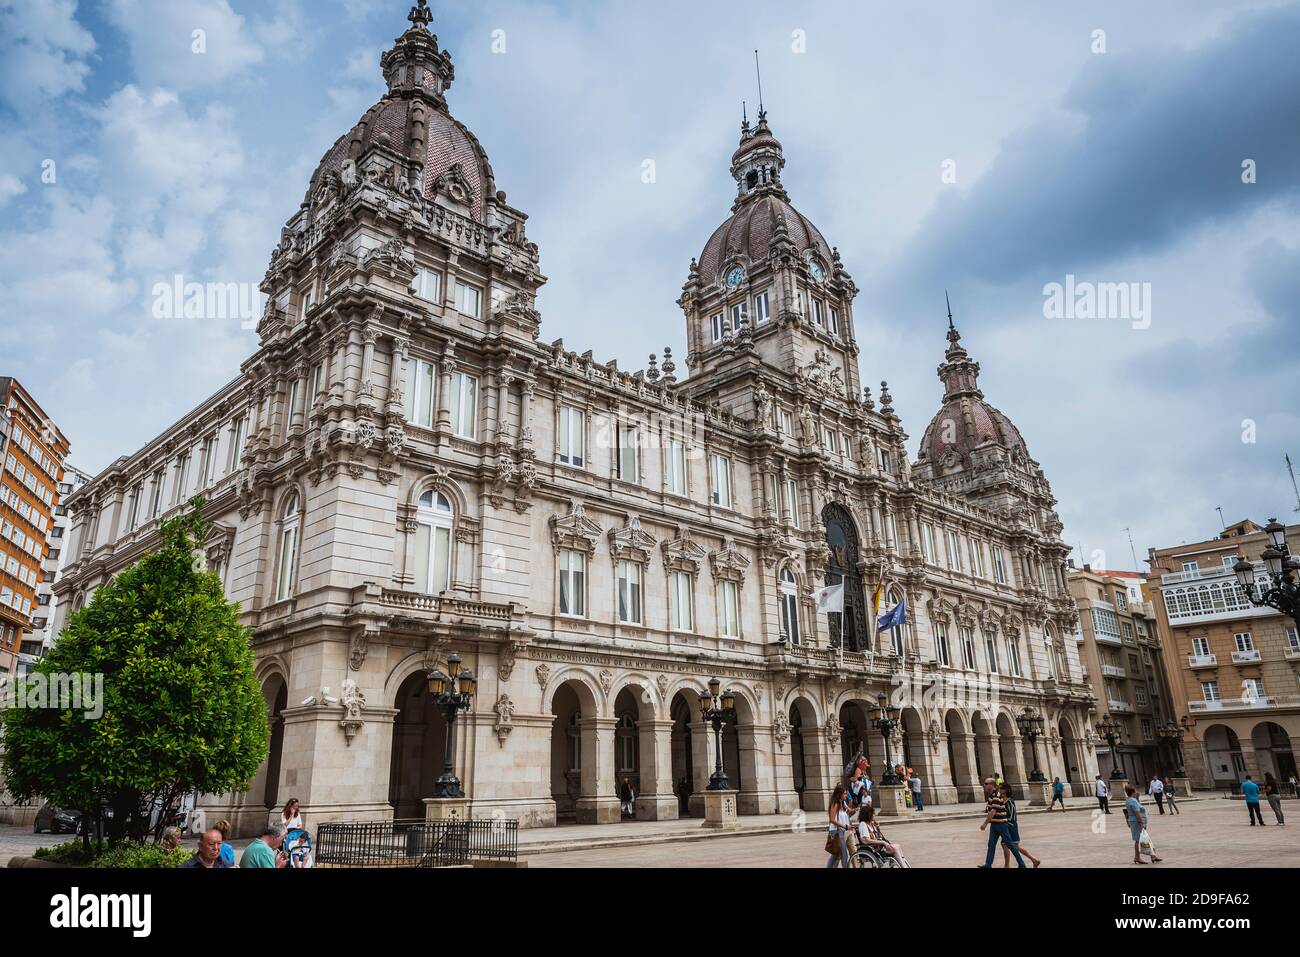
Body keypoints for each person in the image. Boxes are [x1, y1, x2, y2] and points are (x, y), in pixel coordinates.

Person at [979, 781, 1026, 868]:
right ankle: (988, 864)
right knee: (991, 844)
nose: (984, 785)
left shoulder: (996, 796)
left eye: (986, 783)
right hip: (994, 824)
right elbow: (989, 810)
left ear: (992, 785)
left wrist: (985, 824)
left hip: (1001, 824)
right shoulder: (991, 796)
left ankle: (1022, 864)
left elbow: (993, 811)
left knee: (1010, 845)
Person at [1123, 785, 1161, 864]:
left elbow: (1137, 806)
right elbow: (1137, 813)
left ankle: (1153, 856)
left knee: (1145, 839)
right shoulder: (1132, 801)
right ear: (1132, 792)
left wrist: (1137, 798)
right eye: (1135, 791)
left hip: (1134, 821)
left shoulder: (1130, 799)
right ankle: (1137, 857)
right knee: (1138, 840)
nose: (1136, 792)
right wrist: (1142, 822)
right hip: (1137, 822)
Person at [826, 784, 852, 869]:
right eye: (844, 794)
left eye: (846, 793)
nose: (846, 795)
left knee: (836, 854)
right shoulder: (835, 804)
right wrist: (845, 826)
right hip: (836, 831)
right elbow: (832, 819)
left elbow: (844, 816)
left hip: (842, 830)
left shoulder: (842, 803)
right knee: (843, 853)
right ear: (839, 794)